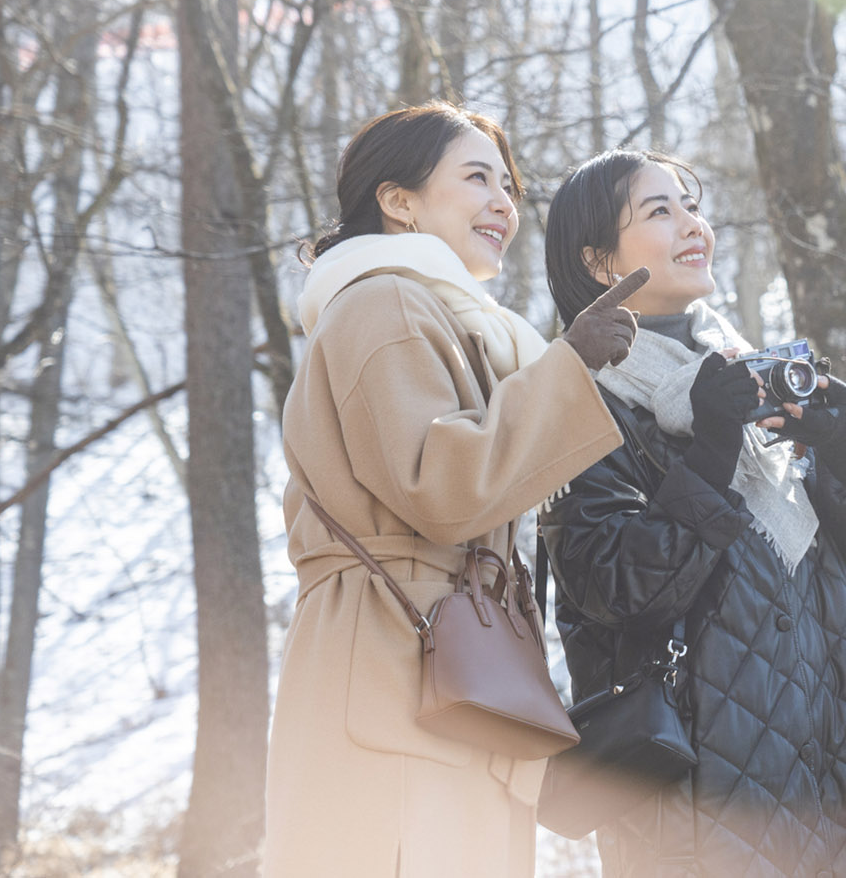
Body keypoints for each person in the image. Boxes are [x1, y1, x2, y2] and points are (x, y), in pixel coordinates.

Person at [262, 103, 648, 878]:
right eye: (477, 177)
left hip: (445, 673)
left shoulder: (448, 315)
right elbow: (440, 485)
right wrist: (566, 366)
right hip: (393, 670)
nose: (504, 201)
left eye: (509, 184)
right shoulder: (383, 301)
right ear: (397, 200)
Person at [540, 150, 846, 877]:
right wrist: (711, 449)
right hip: (702, 804)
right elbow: (617, 587)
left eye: (691, 205)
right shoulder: (578, 401)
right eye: (659, 211)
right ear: (600, 262)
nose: (694, 224)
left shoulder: (742, 372)